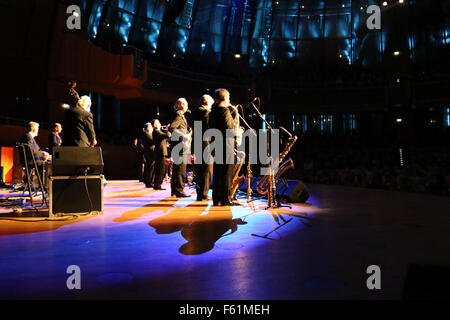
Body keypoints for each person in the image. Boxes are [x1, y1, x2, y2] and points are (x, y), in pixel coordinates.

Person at [208, 89, 237, 206]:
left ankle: (217, 199)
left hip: (216, 145)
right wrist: (235, 125)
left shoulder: (213, 111)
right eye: (229, 97)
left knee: (218, 173)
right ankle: (225, 199)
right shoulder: (224, 110)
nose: (229, 100)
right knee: (226, 174)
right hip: (226, 146)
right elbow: (229, 128)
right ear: (225, 98)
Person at [191, 94, 214, 201]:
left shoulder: (194, 112)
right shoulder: (207, 112)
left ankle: (200, 193)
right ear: (206, 103)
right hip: (206, 144)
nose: (211, 106)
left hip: (197, 144)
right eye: (211, 104)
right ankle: (204, 194)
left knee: (199, 170)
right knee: (207, 170)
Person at [169, 98, 191, 197]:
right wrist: (185, 134)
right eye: (186, 105)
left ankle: (175, 190)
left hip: (178, 146)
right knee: (180, 170)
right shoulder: (179, 115)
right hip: (180, 146)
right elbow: (172, 128)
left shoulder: (179, 115)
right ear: (182, 105)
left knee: (177, 169)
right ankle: (179, 190)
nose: (187, 107)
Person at [151, 119, 171, 190]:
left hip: (161, 152)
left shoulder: (158, 132)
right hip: (160, 152)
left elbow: (163, 139)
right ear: (154, 125)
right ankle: (157, 185)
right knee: (160, 169)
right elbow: (168, 135)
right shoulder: (156, 131)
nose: (160, 124)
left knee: (161, 169)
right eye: (158, 123)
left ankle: (157, 184)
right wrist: (168, 129)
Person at [142, 122, 155, 188]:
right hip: (149, 153)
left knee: (150, 168)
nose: (152, 128)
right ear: (148, 128)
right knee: (150, 168)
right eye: (151, 126)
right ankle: (149, 182)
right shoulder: (147, 134)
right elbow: (153, 140)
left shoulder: (148, 134)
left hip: (150, 153)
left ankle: (150, 181)